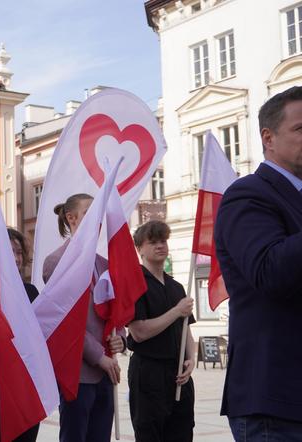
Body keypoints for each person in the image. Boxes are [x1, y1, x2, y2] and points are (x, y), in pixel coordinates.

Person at [214, 86, 302, 440]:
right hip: (275, 400)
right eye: (300, 129)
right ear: (268, 137)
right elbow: (270, 270)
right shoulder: (248, 193)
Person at [41, 193, 126, 442]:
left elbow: (114, 311)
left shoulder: (105, 264)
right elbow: (65, 321)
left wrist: (120, 337)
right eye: (90, 211)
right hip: (77, 371)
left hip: (107, 373)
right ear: (72, 217)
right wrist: (99, 357)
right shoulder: (56, 262)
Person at [127, 220, 195, 442]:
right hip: (149, 373)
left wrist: (192, 359)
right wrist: (176, 310)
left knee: (182, 433)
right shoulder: (135, 282)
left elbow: (187, 331)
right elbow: (139, 332)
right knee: (150, 434)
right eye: (153, 242)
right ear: (140, 249)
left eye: (163, 240)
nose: (160, 246)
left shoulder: (176, 286)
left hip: (178, 376)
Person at [0, 227, 40, 442]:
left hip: (24, 385)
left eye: (19, 252)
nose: (16, 259)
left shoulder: (31, 292)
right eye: (10, 252)